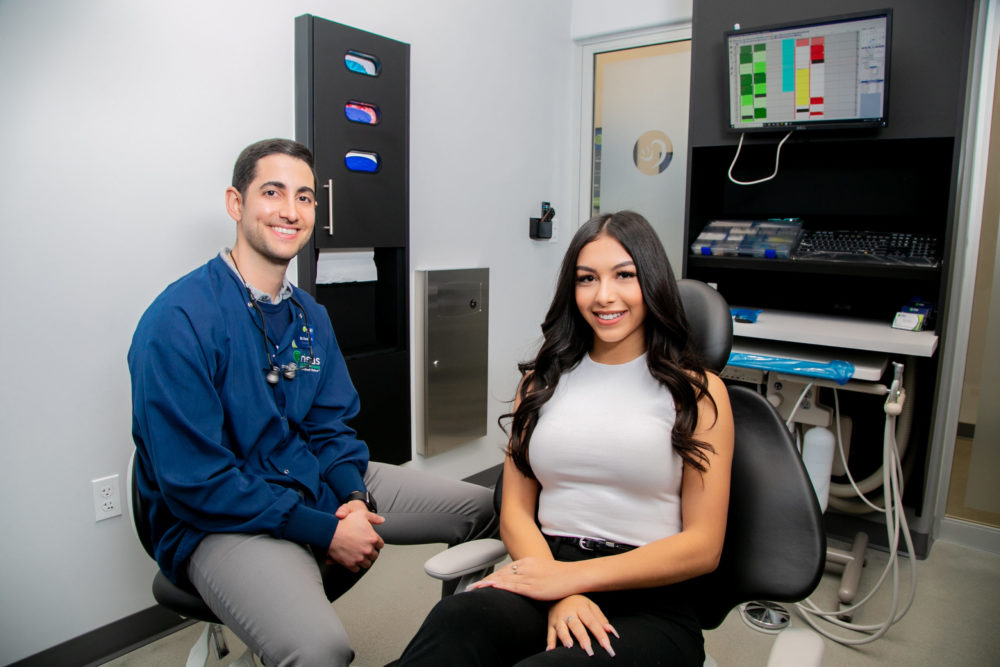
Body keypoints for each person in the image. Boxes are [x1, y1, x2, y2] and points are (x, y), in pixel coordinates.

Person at [128, 138, 497, 667]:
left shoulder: (308, 317)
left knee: (487, 510)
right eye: (272, 192)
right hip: (222, 519)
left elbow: (332, 429)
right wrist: (325, 529)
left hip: (312, 480)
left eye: (304, 197)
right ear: (236, 203)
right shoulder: (178, 321)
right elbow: (196, 482)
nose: (290, 210)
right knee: (321, 651)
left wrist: (352, 496)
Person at [395, 211, 735, 666]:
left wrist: (569, 581)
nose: (604, 295)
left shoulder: (698, 392)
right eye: (587, 278)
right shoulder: (541, 383)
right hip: (546, 568)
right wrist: (557, 585)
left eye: (624, 275)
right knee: (454, 624)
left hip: (650, 599)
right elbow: (515, 510)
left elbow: (703, 545)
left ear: (652, 282)